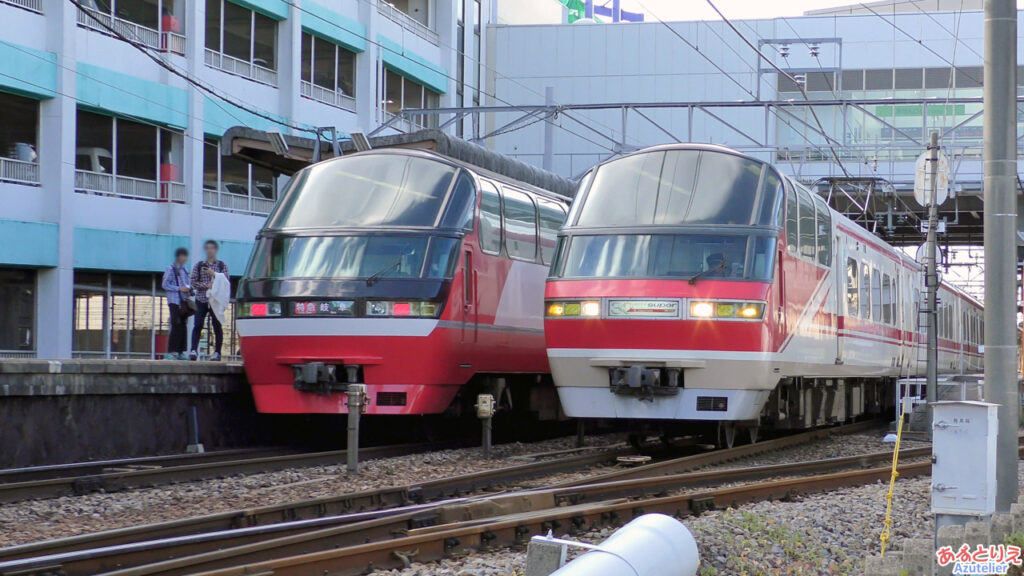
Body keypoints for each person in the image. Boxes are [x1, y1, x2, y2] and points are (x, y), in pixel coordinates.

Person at [189, 240, 229, 361]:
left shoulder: (222, 266)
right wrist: (206, 285)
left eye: (212, 248)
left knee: (217, 326)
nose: (209, 250)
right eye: (207, 248)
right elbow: (193, 282)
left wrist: (215, 275)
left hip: (215, 301)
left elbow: (226, 281)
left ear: (216, 250)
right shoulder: (199, 265)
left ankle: (217, 352)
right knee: (198, 325)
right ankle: (193, 350)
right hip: (201, 299)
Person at [162, 247, 191, 360]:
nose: (184, 259)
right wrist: (179, 288)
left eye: (186, 256)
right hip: (174, 301)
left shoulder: (184, 270)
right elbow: (165, 285)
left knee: (183, 325)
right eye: (183, 256)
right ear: (178, 257)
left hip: (183, 302)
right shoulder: (170, 269)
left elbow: (187, 284)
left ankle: (180, 351)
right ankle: (171, 351)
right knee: (176, 324)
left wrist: (188, 290)